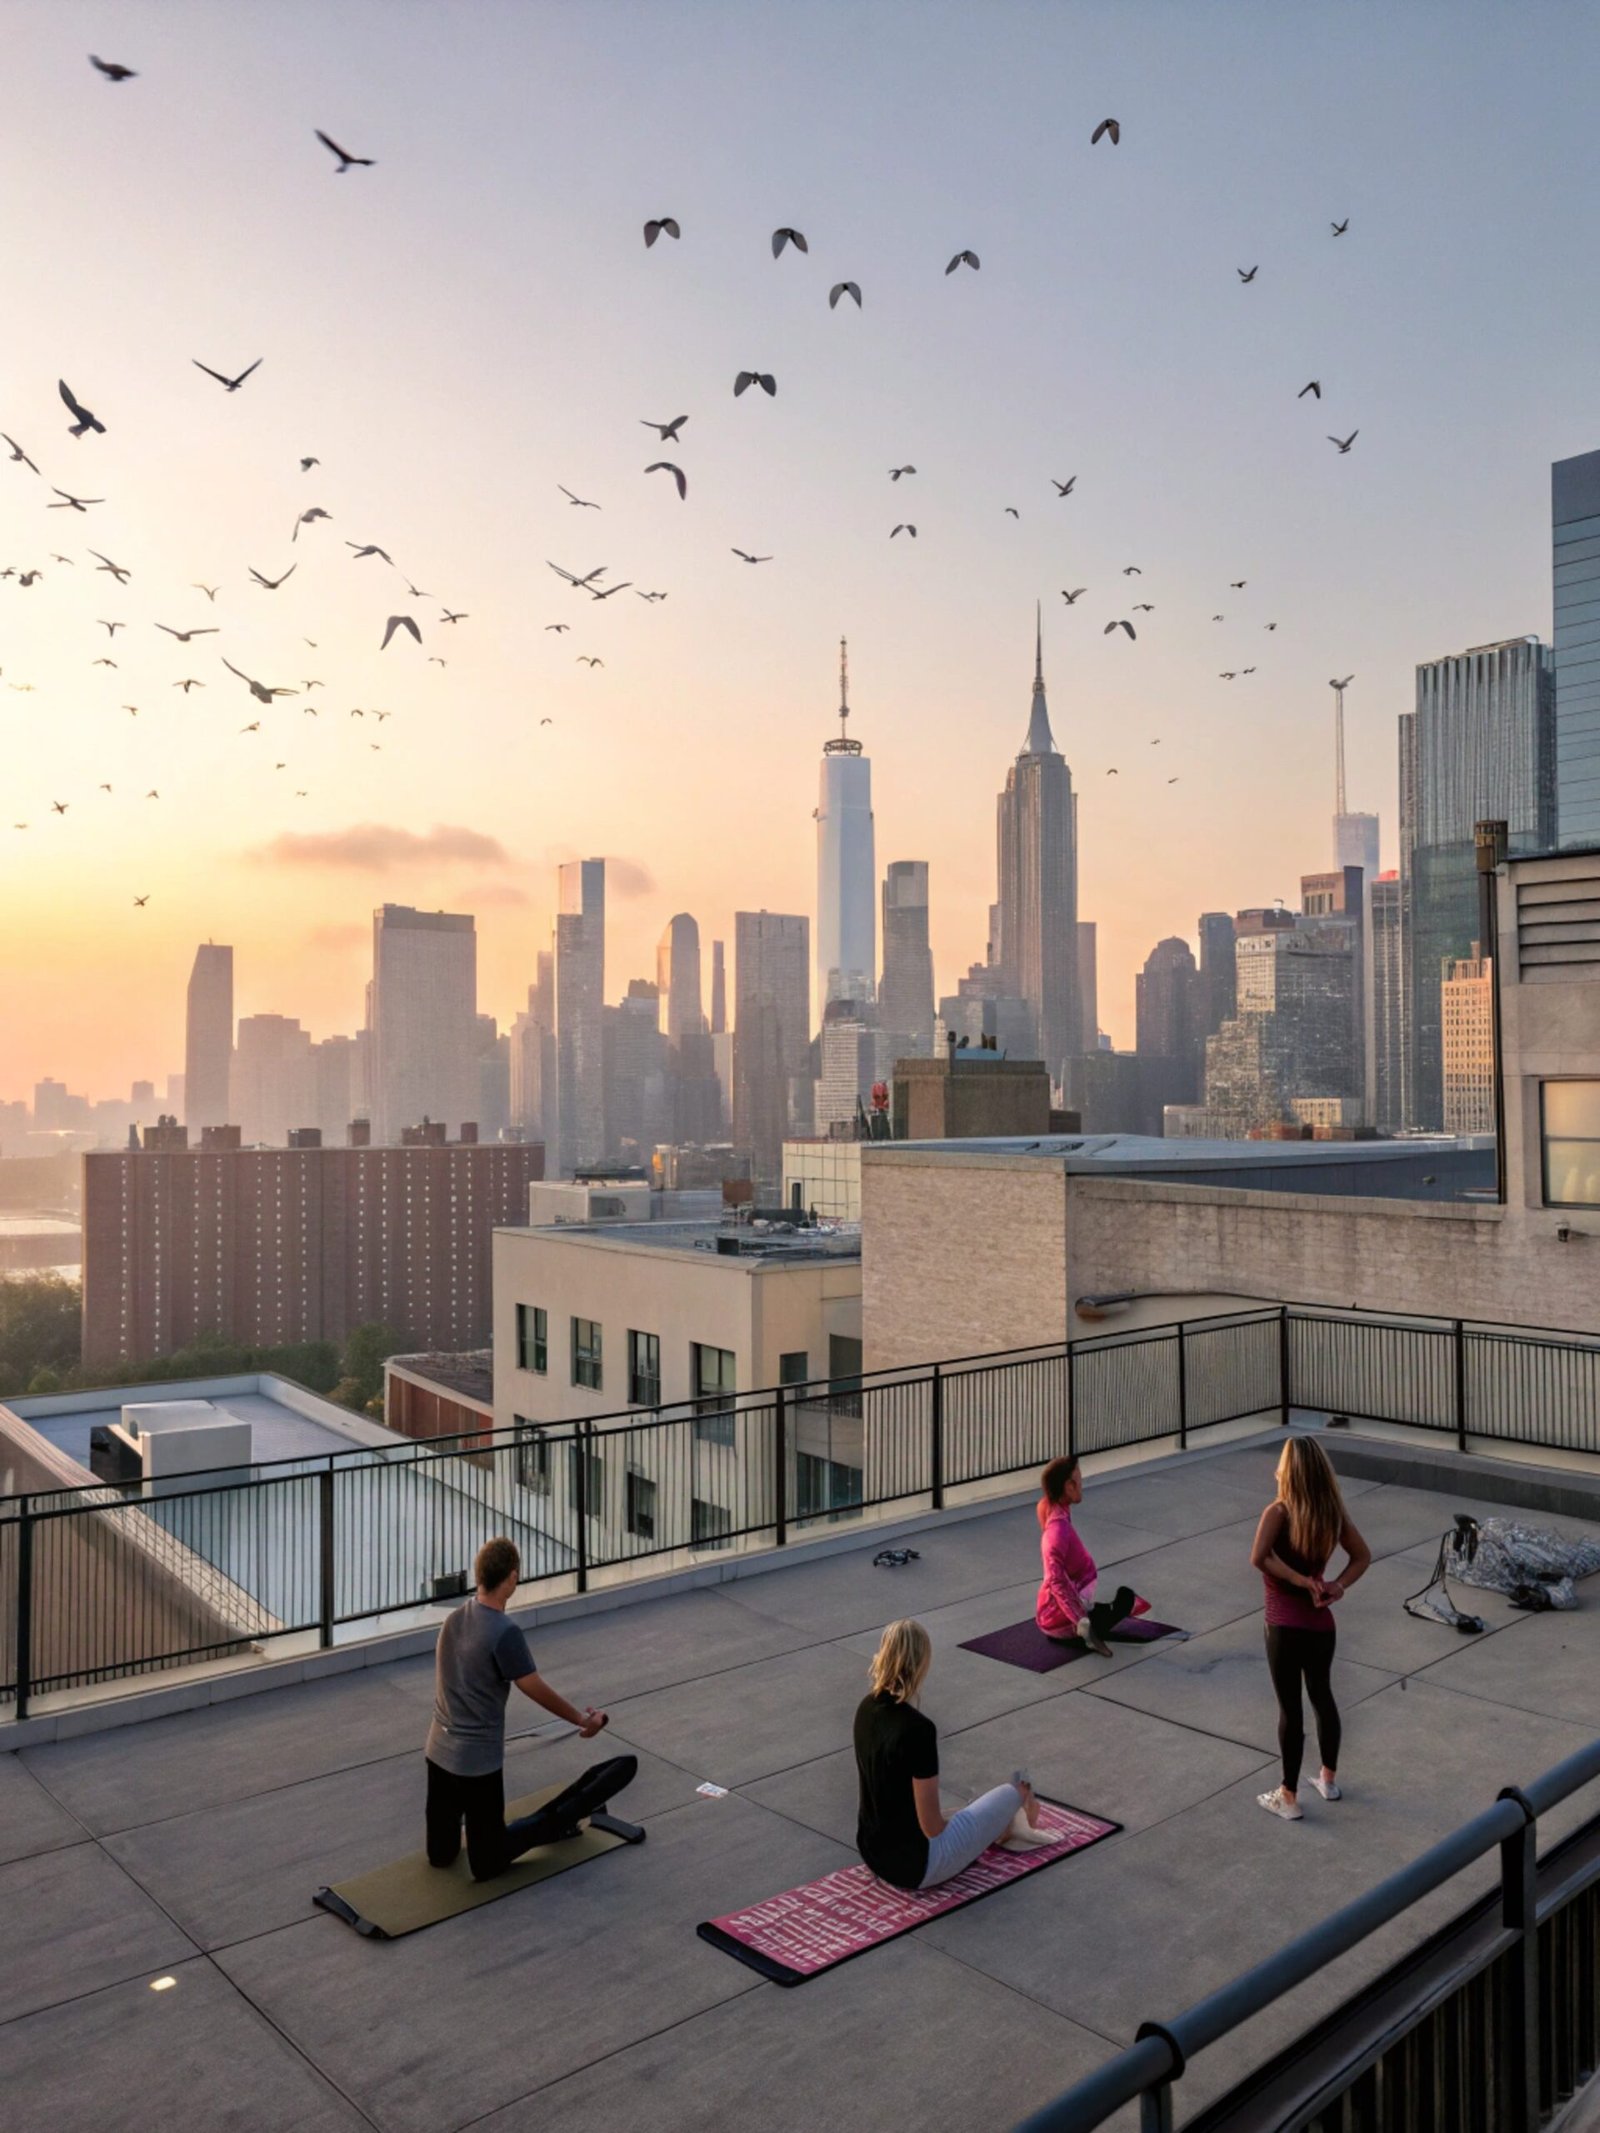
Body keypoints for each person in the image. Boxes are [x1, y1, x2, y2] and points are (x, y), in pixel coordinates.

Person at [425, 1535, 611, 1880]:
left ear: (479, 1575)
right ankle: (551, 1826)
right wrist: (583, 1720)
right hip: (476, 1763)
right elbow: (534, 1687)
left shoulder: (454, 1618)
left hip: (437, 1752)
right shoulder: (504, 1631)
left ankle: (463, 1835)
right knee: (488, 1863)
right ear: (511, 1578)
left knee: (440, 1855)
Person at [853, 1618, 1048, 1890]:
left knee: (969, 1811)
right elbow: (933, 1827)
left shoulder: (865, 1709)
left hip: (872, 1852)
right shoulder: (918, 1730)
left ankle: (1001, 1824)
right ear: (921, 1663)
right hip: (917, 1867)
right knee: (1012, 1791)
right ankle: (1017, 1815)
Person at [1249, 1436, 1371, 1821]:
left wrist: (1301, 1582)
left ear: (1290, 1470)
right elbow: (1362, 1556)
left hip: (1283, 1626)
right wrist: (1336, 1585)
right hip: (1321, 1627)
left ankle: (1288, 1797)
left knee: (1290, 1709)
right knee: (1323, 1697)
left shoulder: (1279, 1512)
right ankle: (1328, 1780)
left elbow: (1259, 1558)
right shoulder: (1331, 1514)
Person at [1036, 1454, 1150, 1654]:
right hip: (1061, 1621)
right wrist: (1081, 1622)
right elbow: (1056, 1581)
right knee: (1126, 1599)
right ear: (1069, 1486)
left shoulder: (1050, 1507)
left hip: (1064, 1610)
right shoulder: (1056, 1531)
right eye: (1080, 1482)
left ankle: (1094, 1615)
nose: (1082, 1486)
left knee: (1119, 1602)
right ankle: (1085, 1624)